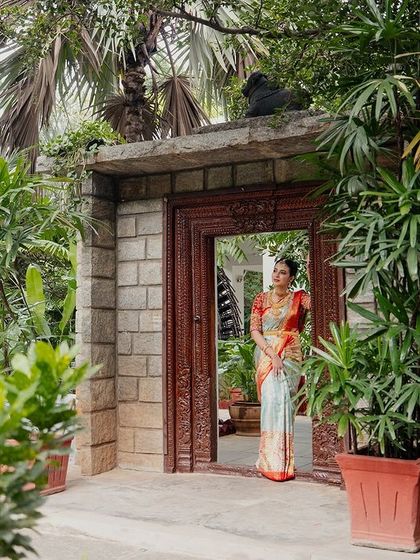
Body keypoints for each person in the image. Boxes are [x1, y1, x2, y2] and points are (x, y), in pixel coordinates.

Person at [250, 256, 311, 481]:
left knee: (285, 404)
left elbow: (322, 300)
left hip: (292, 355)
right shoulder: (260, 298)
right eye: (275, 270)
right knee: (272, 403)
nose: (276, 275)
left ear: (292, 277)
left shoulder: (299, 298)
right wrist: (272, 353)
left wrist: (311, 268)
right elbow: (255, 330)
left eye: (283, 272)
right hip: (267, 355)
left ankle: (284, 463)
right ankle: (269, 461)